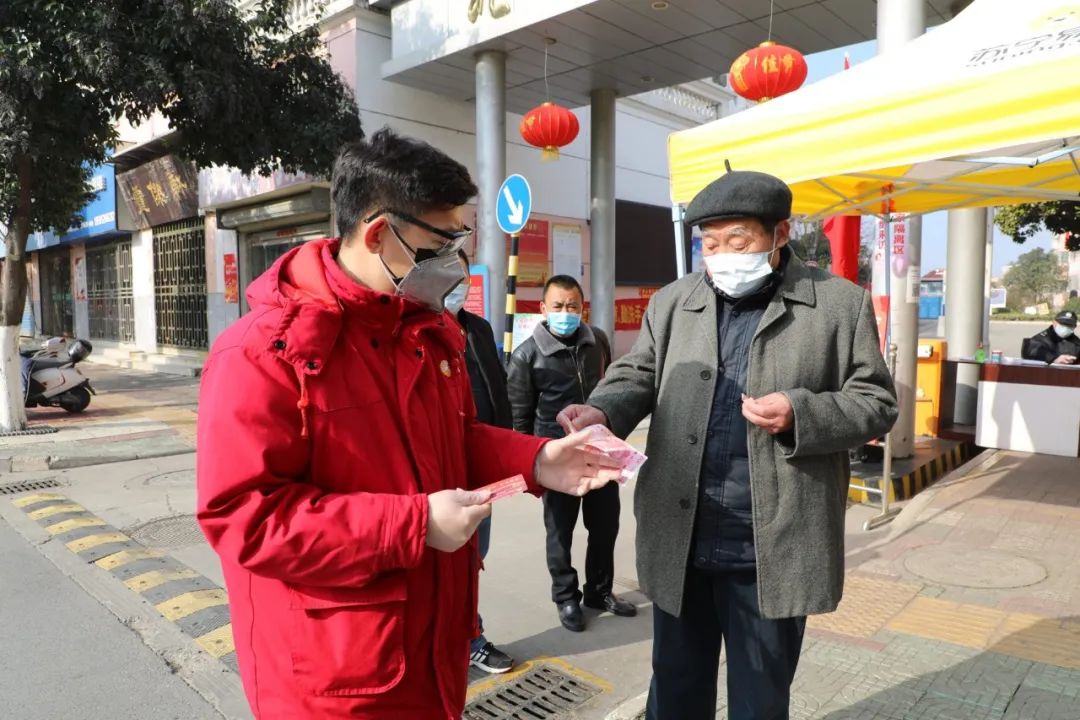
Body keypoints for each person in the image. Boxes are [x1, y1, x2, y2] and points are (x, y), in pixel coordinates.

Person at [196, 128, 622, 720]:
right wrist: (414, 524)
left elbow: (457, 438)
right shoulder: (261, 353)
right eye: (440, 244)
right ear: (378, 234)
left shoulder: (423, 333)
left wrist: (535, 461)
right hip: (336, 679)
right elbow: (243, 516)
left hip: (434, 649)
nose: (453, 263)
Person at [558, 170, 898, 720]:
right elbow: (638, 372)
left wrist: (801, 411)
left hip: (770, 546)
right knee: (674, 690)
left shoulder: (838, 305)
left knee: (760, 700)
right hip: (682, 536)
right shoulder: (673, 301)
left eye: (738, 240)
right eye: (708, 243)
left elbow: (876, 401)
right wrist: (602, 408)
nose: (721, 255)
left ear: (780, 233)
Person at [507, 275, 636, 633]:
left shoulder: (598, 341)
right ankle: (566, 597)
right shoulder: (526, 356)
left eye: (573, 306)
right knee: (560, 532)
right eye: (559, 306)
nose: (566, 313)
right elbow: (520, 420)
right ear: (543, 309)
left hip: (600, 452)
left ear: (583, 308)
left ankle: (599, 591)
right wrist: (532, 471)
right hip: (556, 459)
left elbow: (610, 387)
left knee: (605, 525)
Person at [444, 252, 514, 674]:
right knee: (454, 561)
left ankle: (464, 634)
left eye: (461, 274)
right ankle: (468, 638)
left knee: (475, 557)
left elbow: (499, 392)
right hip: (443, 475)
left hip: (484, 470)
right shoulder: (418, 333)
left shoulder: (479, 329)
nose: (455, 284)